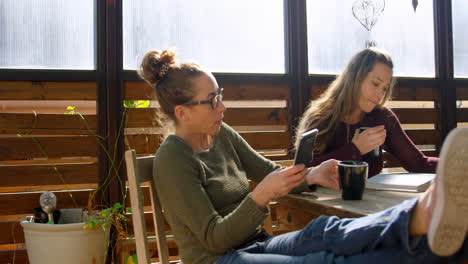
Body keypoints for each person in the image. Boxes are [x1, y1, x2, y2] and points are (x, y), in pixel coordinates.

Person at [138, 48, 468, 264]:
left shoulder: (221, 133)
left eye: (220, 95)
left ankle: (426, 217)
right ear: (182, 112)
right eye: (212, 100)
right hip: (221, 259)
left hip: (258, 245)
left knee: (325, 231)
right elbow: (213, 238)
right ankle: (431, 236)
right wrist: (261, 195)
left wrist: (310, 175)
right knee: (323, 260)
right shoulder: (173, 159)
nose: (222, 106)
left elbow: (268, 170)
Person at [295, 47, 439, 177]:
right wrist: (355, 150)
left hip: (372, 203)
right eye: (375, 84)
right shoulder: (320, 116)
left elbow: (418, 163)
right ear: (355, 78)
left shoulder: (382, 117)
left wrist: (456, 165)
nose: (380, 94)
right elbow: (302, 172)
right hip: (323, 202)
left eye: (384, 88)